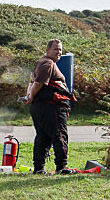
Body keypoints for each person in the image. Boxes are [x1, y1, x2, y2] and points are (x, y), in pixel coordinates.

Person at [23, 39, 76, 174]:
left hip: (40, 107)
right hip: (51, 106)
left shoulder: (42, 62)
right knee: (59, 135)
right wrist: (31, 96)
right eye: (55, 49)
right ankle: (61, 166)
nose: (58, 52)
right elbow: (39, 83)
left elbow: (32, 83)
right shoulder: (47, 63)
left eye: (60, 50)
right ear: (47, 50)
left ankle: (39, 168)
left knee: (43, 136)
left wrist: (29, 97)